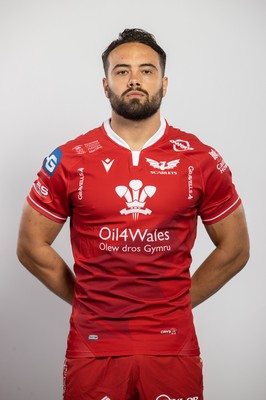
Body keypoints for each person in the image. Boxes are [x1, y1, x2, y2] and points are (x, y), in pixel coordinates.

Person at [17, 28, 250, 400]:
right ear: (105, 84)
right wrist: (86, 299)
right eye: (122, 71)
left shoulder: (201, 159)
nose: (135, 79)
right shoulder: (70, 158)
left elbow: (235, 248)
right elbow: (31, 245)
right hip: (93, 345)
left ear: (164, 82)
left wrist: (175, 303)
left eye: (147, 70)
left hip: (172, 346)